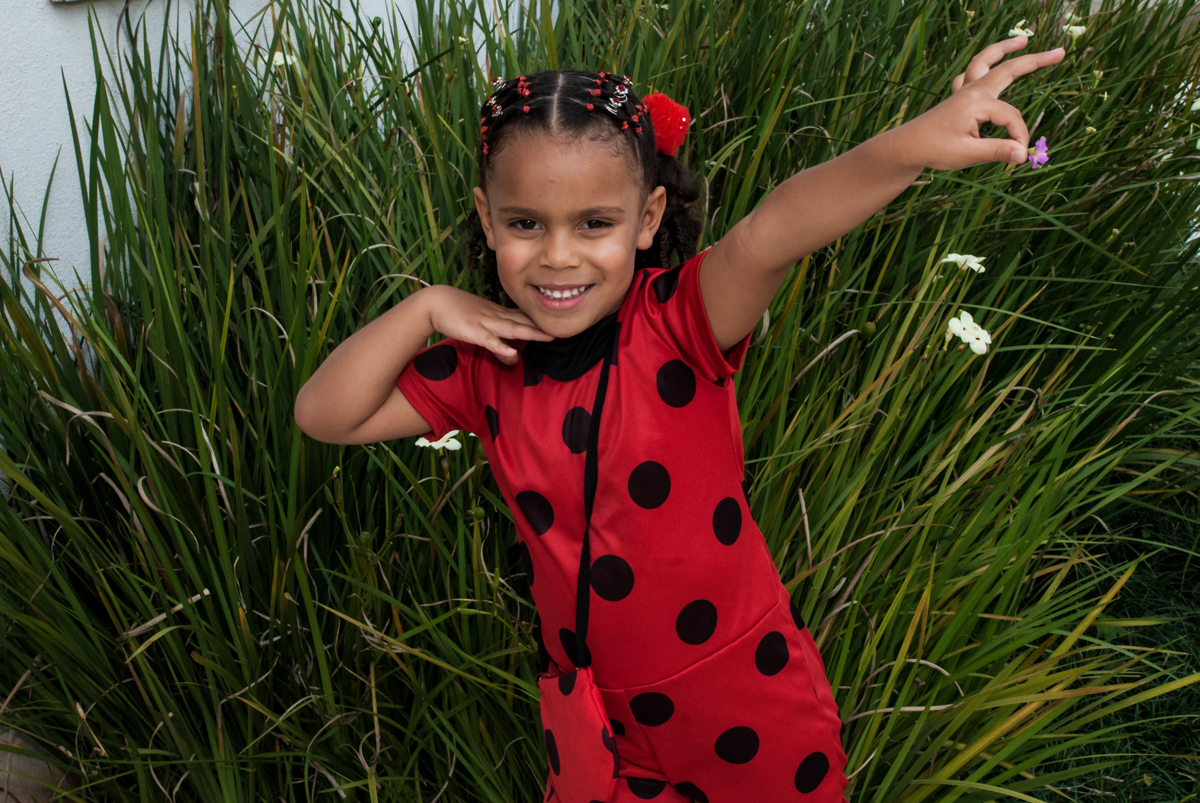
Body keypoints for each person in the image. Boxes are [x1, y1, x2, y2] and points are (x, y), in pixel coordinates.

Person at [294, 37, 1064, 803]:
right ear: (486, 219)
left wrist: (911, 147)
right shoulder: (485, 364)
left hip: (744, 705)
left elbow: (777, 226)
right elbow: (325, 414)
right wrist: (426, 305)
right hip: (598, 725)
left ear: (648, 214)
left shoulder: (679, 322)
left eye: (595, 222)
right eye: (525, 224)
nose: (558, 256)